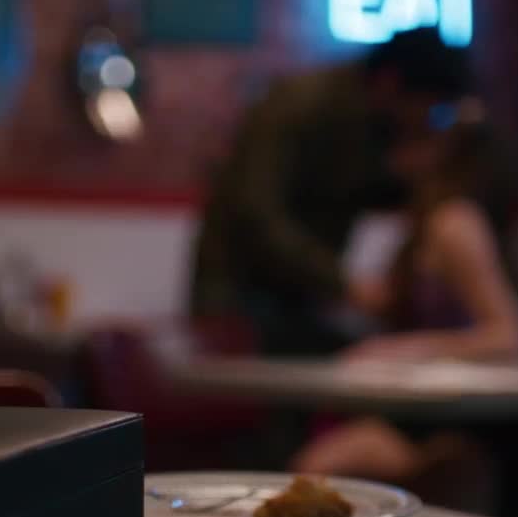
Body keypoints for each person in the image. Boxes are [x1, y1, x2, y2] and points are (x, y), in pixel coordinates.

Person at [290, 104, 518, 517]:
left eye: (406, 140)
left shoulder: (455, 221)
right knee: (311, 467)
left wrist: (403, 350)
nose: (392, 156)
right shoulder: (421, 221)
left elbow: (508, 334)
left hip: (456, 420)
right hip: (424, 407)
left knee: (314, 470)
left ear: (440, 151)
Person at [189, 28, 473, 357]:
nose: (426, 121)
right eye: (429, 108)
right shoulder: (299, 105)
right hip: (239, 296)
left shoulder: (374, 121)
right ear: (391, 83)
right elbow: (256, 215)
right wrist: (344, 284)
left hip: (297, 297)